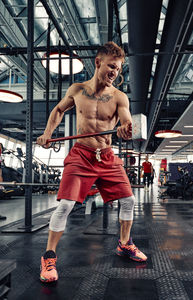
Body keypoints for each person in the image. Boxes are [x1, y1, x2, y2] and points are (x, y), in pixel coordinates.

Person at [37, 41, 147, 283]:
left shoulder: (119, 96)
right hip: (81, 155)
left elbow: (127, 121)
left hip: (106, 156)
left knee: (128, 200)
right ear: (98, 63)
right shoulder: (77, 90)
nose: (114, 72)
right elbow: (58, 111)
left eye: (118, 69)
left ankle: (125, 244)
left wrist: (126, 129)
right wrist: (47, 133)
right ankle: (48, 257)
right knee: (65, 205)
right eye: (111, 66)